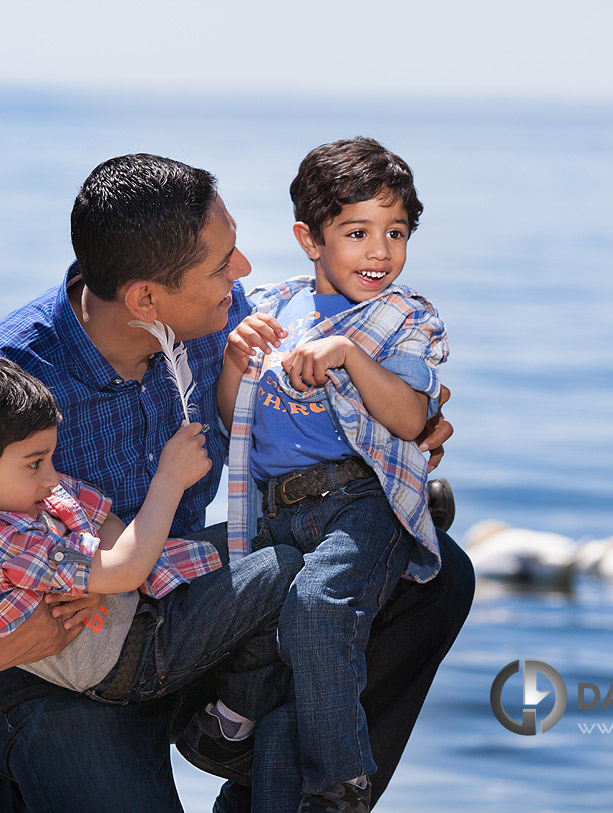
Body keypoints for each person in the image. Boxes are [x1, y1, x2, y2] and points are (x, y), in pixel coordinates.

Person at [0, 152, 474, 812]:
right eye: (221, 265)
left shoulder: (231, 322)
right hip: (60, 656)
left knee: (428, 571)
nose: (242, 274)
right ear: (146, 298)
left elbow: (324, 392)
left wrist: (403, 427)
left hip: (182, 582)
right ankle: (21, 787)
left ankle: (283, 783)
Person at [0, 354, 302, 788]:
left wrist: (102, 571)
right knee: (280, 568)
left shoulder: (2, 494)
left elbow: (101, 519)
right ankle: (229, 726)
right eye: (36, 462)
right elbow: (126, 569)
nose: (51, 476)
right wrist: (168, 480)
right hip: (126, 657)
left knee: (257, 538)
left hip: (126, 608)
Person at [217, 137, 446, 812]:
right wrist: (234, 361)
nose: (380, 252)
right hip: (278, 510)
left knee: (319, 607)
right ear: (309, 238)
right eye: (356, 232)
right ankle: (241, 703)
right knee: (260, 611)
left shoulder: (401, 318)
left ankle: (339, 779)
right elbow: (238, 418)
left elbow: (410, 417)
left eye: (395, 232)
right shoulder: (269, 307)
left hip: (360, 504)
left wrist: (349, 354)